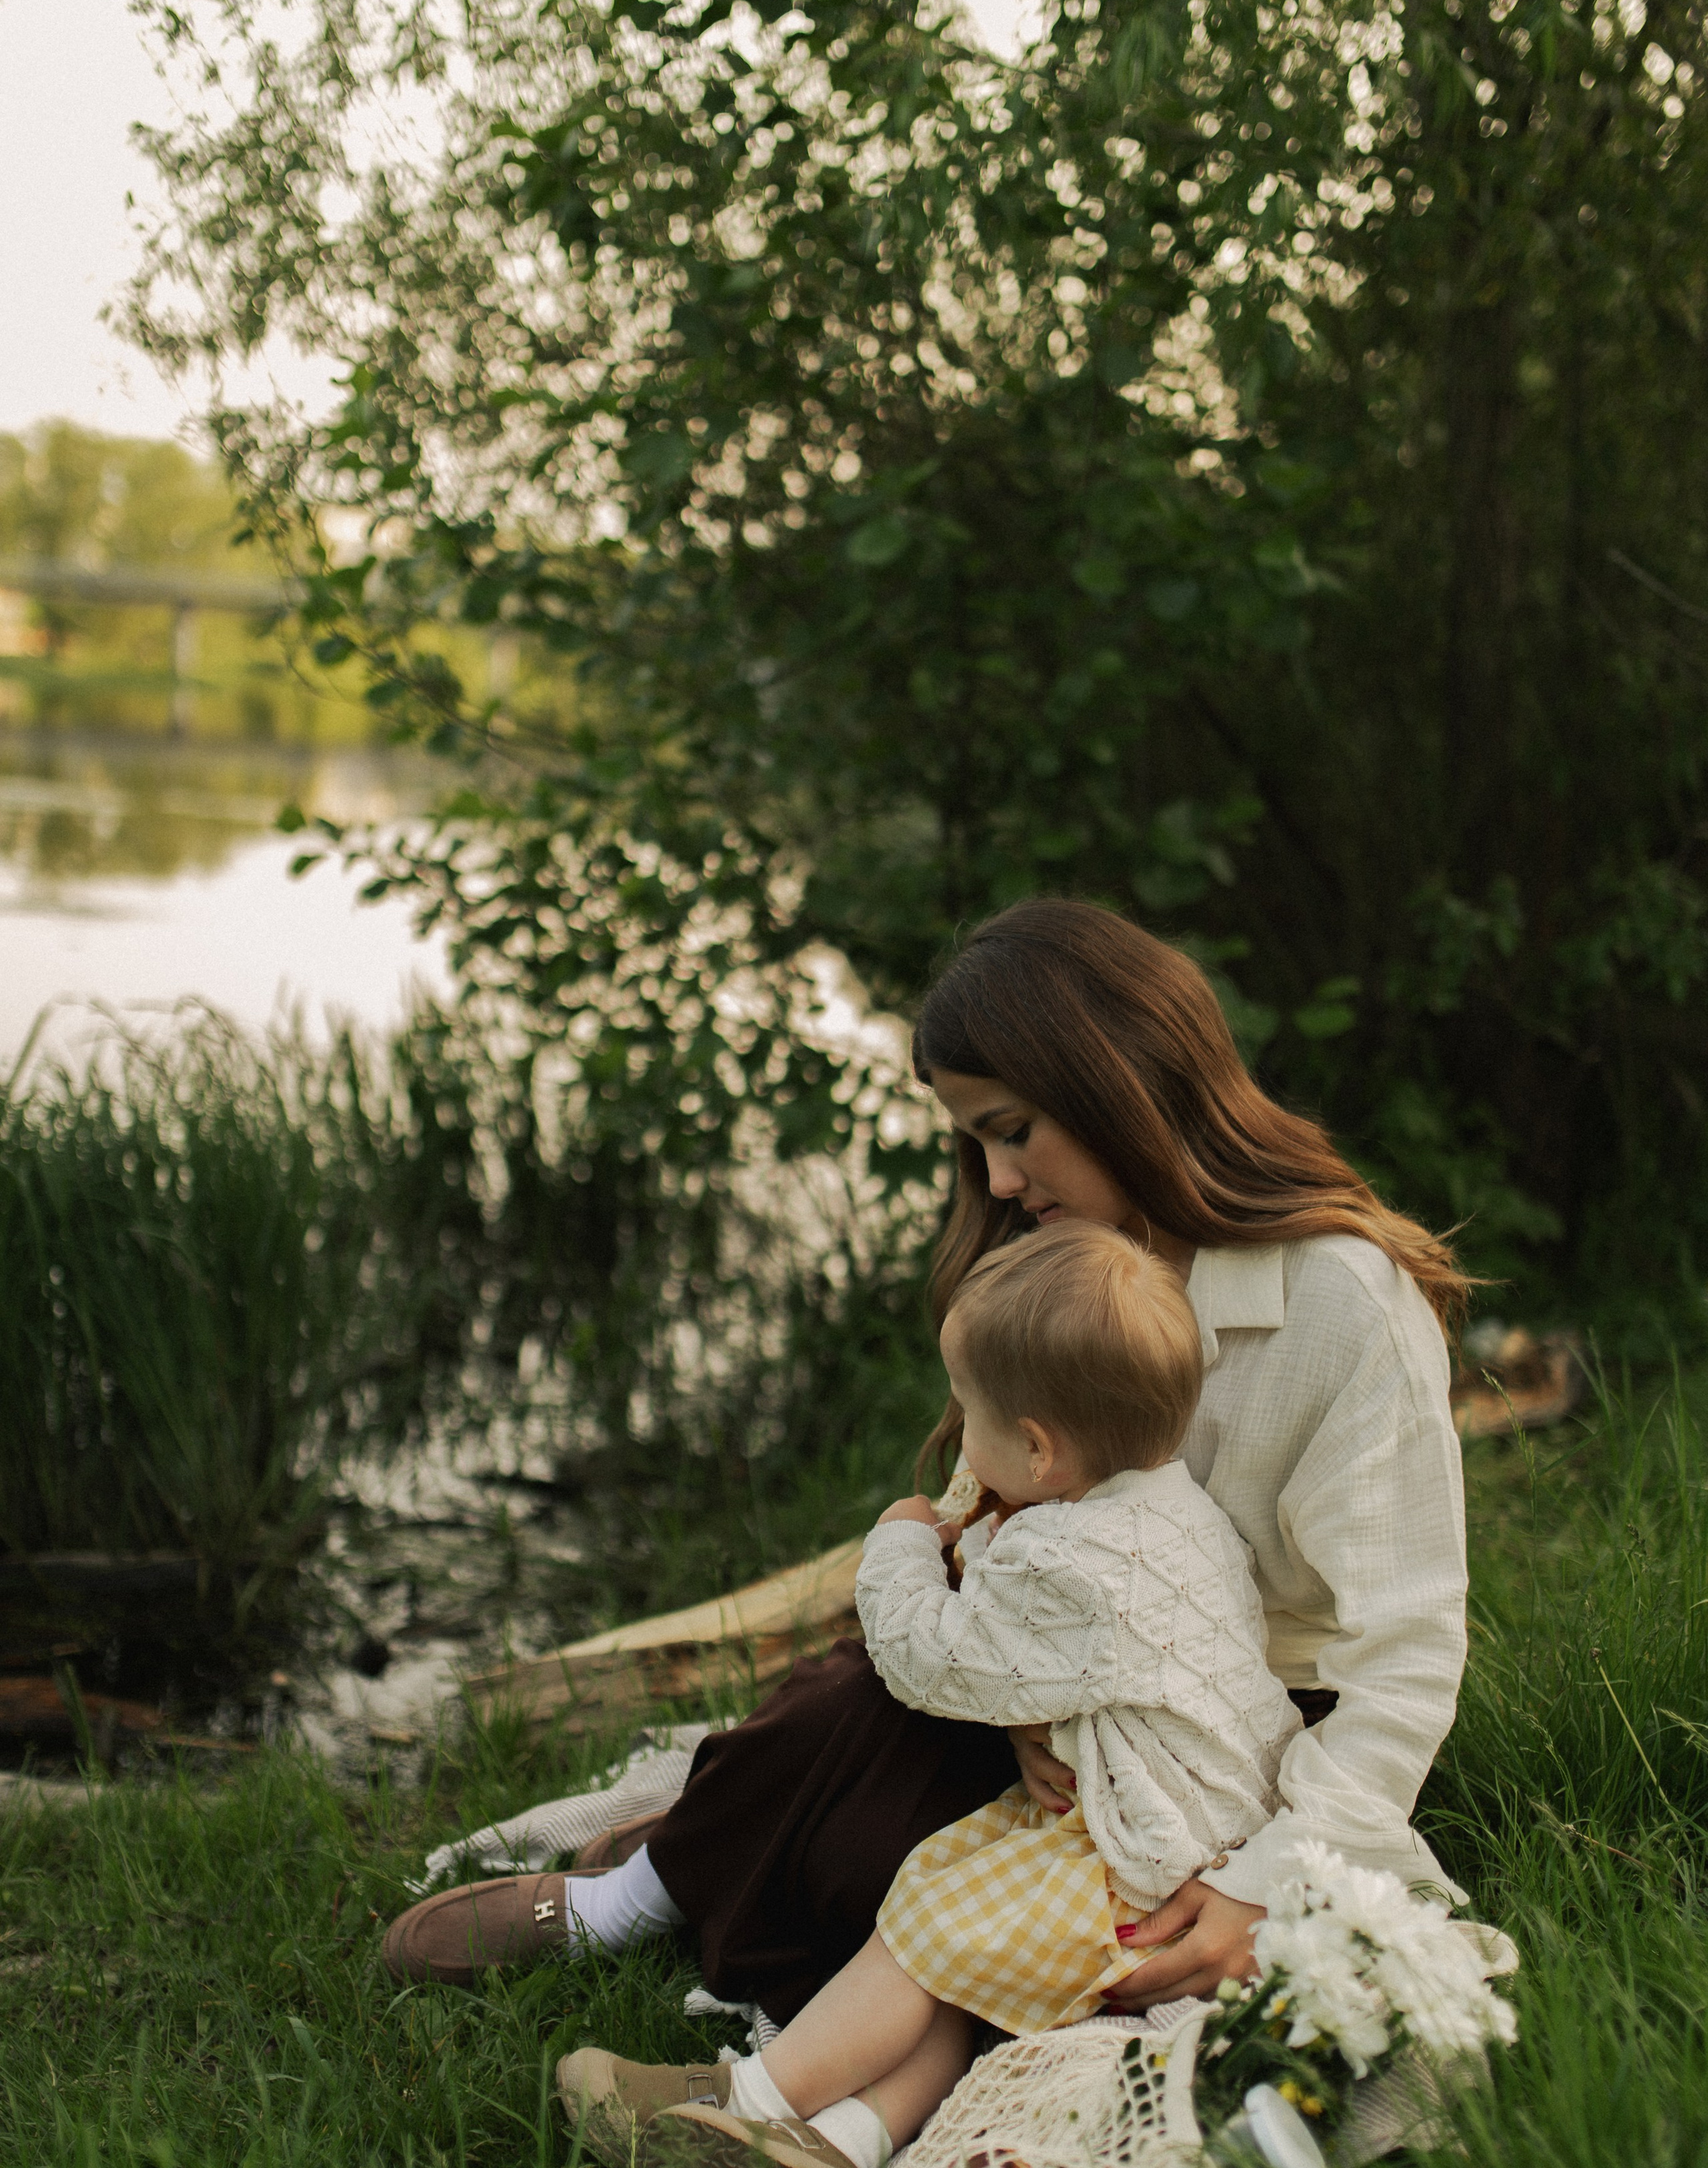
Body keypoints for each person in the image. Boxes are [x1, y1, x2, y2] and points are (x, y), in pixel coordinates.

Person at [384, 901, 1469, 2103]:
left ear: (1124, 1084)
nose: (999, 1180)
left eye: (1015, 1132)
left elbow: (1405, 1660)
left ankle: (704, 1891)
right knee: (850, 1699)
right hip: (1054, 1703)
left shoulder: (1343, 1301)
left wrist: (1268, 1879)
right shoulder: (1062, 1257)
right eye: (976, 1143)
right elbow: (984, 1526)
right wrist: (1017, 1693)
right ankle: (631, 1895)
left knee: (861, 1861)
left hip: (1226, 1741)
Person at [556, 1217, 1304, 2168]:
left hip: (1148, 1866)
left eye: (967, 1412)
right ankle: (843, 2149)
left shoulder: (1062, 1560)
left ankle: (746, 2101)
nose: (956, 1430)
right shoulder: (1175, 1509)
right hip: (1202, 1825)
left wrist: (903, 1539)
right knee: (962, 1963)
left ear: (1039, 1452)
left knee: (926, 1926)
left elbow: (926, 1660)